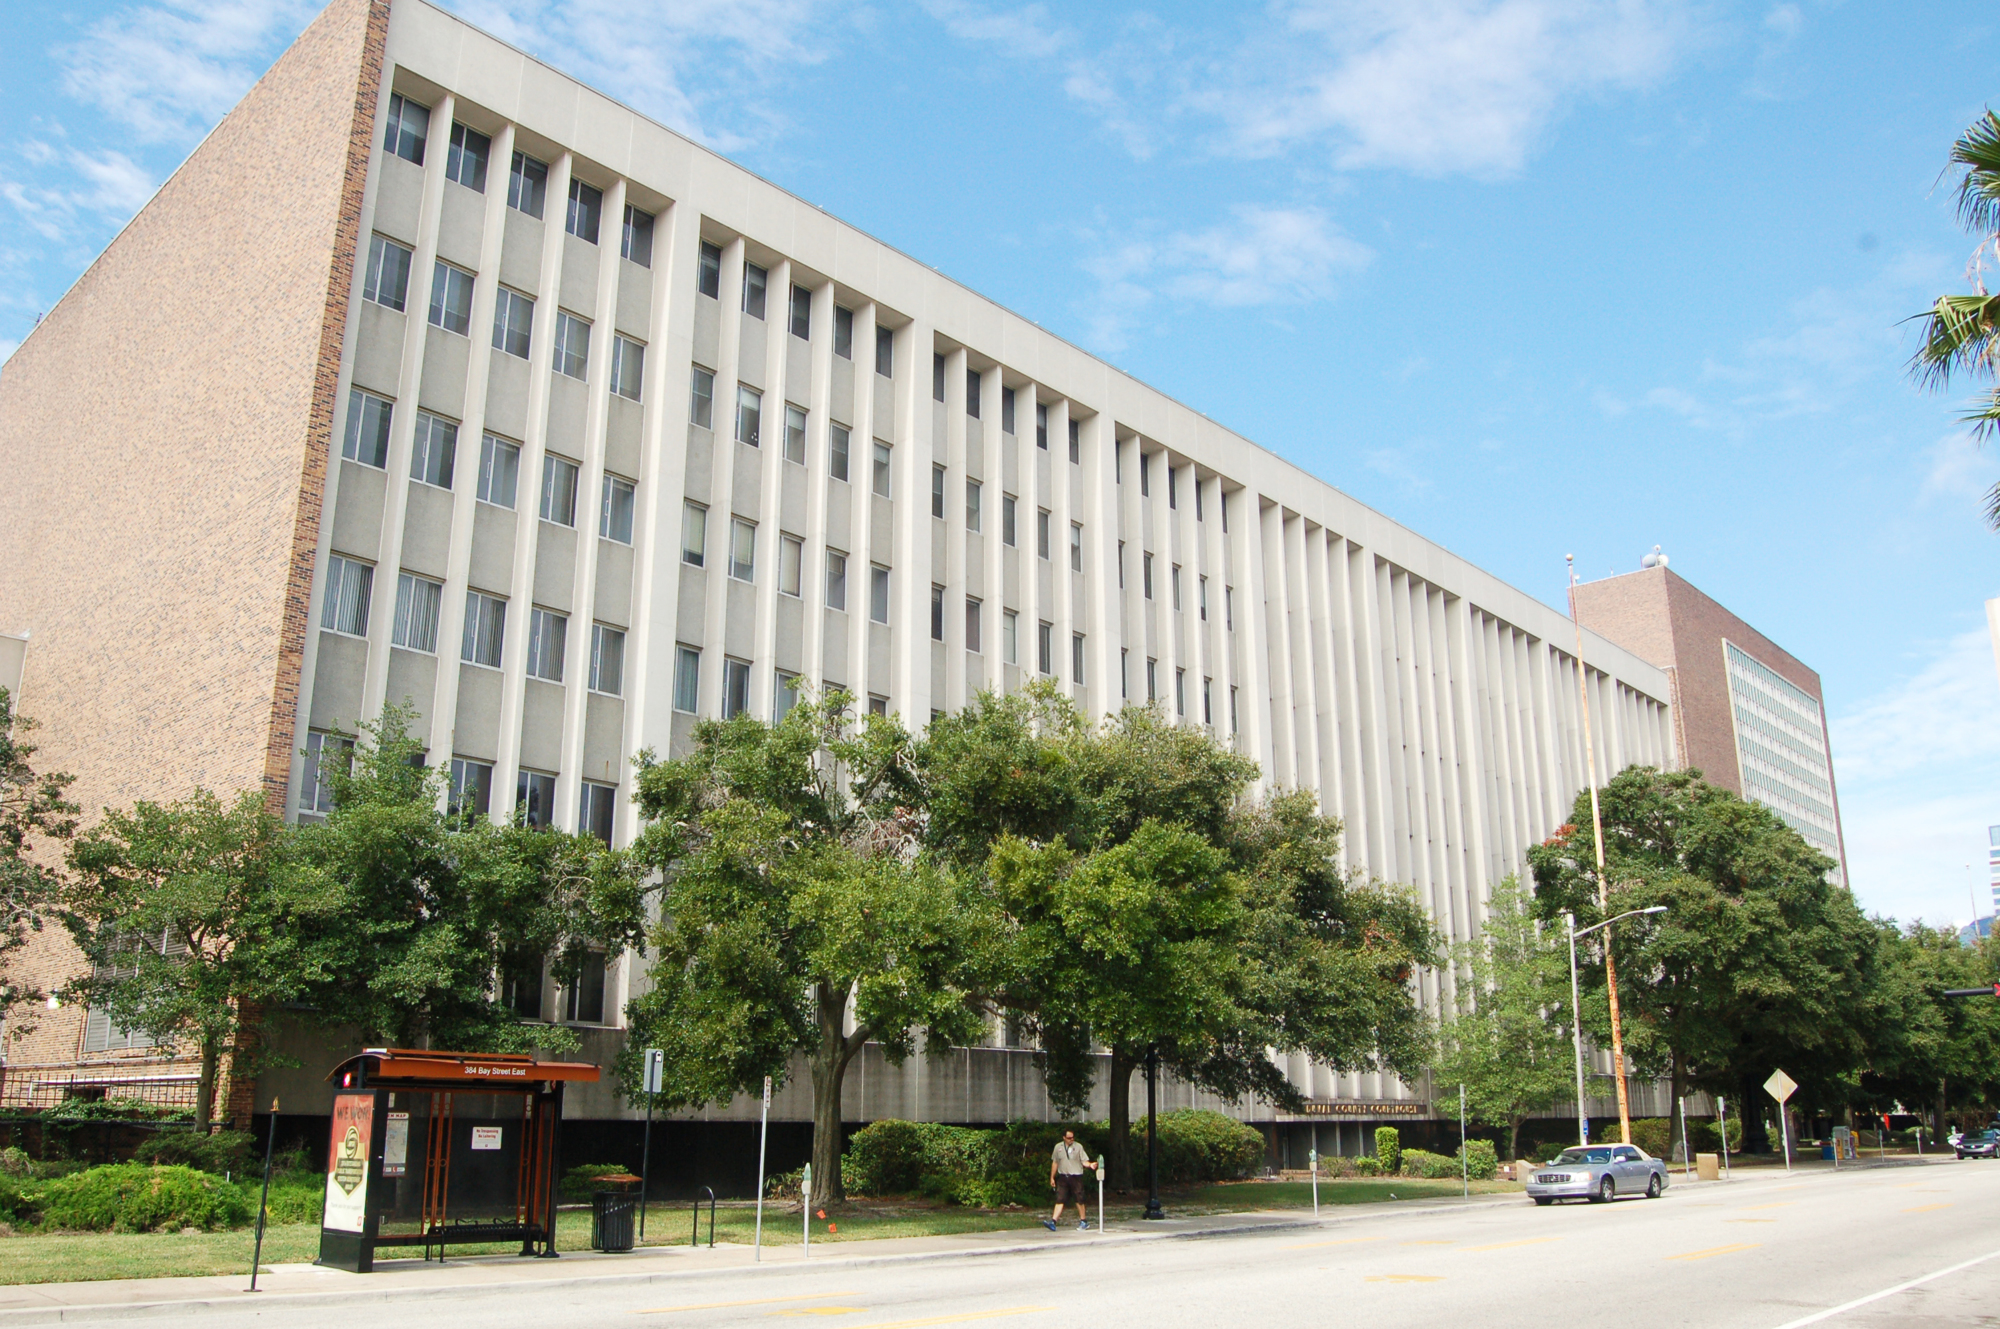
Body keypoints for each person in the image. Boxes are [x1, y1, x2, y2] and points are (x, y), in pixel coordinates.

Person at [1044, 1129, 1096, 1231]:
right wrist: (1052, 1177)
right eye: (1069, 1138)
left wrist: (1090, 1165)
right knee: (1060, 1198)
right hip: (1063, 1176)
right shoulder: (1058, 1147)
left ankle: (1083, 1221)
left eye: (1073, 1137)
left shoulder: (1078, 1147)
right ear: (1064, 1138)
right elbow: (1055, 1163)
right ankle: (1053, 1222)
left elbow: (1084, 1161)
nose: (1071, 1139)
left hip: (1076, 1176)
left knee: (1079, 1199)